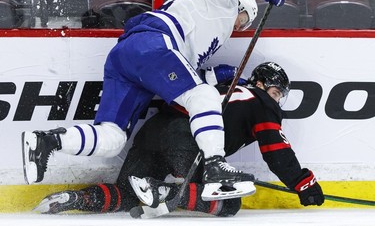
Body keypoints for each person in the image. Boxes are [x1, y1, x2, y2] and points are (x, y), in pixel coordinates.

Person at [22, 0, 289, 199]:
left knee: (112, 138)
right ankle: (216, 165)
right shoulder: (221, 1)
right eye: (244, 19)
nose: (241, 26)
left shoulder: (205, 26)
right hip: (154, 45)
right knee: (203, 96)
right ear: (241, 2)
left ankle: (47, 141)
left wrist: (214, 75)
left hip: (128, 57)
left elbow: (179, 76)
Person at [33, 62, 325, 216]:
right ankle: (164, 193)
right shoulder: (262, 102)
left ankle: (75, 199)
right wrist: (304, 183)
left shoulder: (219, 89)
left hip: (154, 131)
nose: (276, 100)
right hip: (186, 141)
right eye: (276, 92)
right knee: (229, 203)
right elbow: (276, 152)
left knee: (127, 194)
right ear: (261, 85)